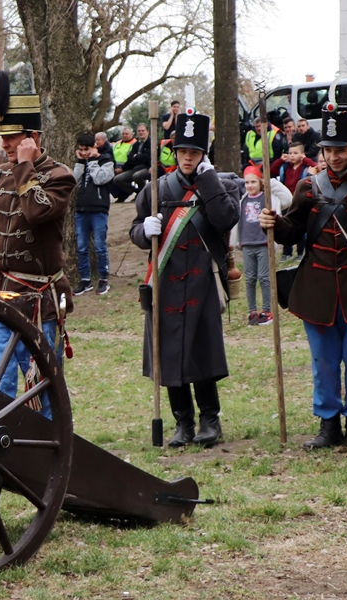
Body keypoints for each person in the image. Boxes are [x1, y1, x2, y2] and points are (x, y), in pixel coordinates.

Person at [260, 103, 347, 449]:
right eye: (330, 150)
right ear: (321, 150)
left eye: (342, 150)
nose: (335, 157)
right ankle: (327, 425)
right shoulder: (309, 186)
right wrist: (275, 224)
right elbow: (293, 230)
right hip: (317, 290)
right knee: (323, 362)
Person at [0, 70, 77, 419]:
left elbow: (37, 210)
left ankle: (45, 458)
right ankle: (0, 447)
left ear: (33, 138)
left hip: (41, 299)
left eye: (12, 138)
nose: (5, 145)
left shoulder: (60, 176)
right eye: (4, 138)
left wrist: (26, 164)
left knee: (42, 385)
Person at [129, 106, 241, 448]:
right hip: (165, 280)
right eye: (182, 152)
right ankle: (182, 421)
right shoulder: (156, 189)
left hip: (202, 282)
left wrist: (207, 181)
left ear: (203, 154)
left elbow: (226, 219)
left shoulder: (219, 185)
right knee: (170, 352)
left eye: (194, 152)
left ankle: (210, 419)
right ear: (174, 152)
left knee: (202, 351)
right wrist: (142, 231)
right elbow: (135, 229)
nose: (187, 158)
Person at [229, 167, 291, 326]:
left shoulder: (269, 198)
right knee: (250, 279)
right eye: (247, 182)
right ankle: (252, 312)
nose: (249, 185)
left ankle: (266, 310)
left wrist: (269, 182)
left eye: (253, 181)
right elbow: (239, 221)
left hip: (264, 242)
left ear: (260, 182)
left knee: (264, 277)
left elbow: (288, 198)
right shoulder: (243, 199)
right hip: (247, 243)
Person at [72, 132, 115, 295]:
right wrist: (80, 162)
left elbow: (100, 179)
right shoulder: (81, 161)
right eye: (81, 149)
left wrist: (92, 161)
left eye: (87, 149)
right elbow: (73, 180)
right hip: (81, 210)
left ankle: (103, 278)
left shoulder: (106, 160)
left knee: (100, 246)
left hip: (99, 210)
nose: (84, 152)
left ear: (94, 147)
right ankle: (85, 280)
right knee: (82, 247)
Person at [271, 142, 316, 260]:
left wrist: (305, 160)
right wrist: (281, 160)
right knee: (286, 224)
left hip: (300, 200)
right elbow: (272, 170)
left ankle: (300, 252)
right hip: (287, 201)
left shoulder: (306, 167)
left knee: (299, 227)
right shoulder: (285, 167)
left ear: (302, 154)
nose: (292, 156)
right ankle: (287, 252)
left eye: (295, 153)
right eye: (290, 153)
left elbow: (314, 166)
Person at [111, 123, 152, 202]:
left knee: (137, 176)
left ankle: (143, 195)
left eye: (143, 130)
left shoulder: (151, 143)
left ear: (148, 132)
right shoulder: (136, 144)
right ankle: (135, 192)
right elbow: (130, 158)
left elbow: (147, 157)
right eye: (139, 131)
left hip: (147, 167)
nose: (141, 132)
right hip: (134, 168)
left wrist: (136, 156)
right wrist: (123, 168)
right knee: (117, 179)